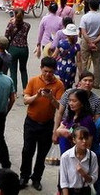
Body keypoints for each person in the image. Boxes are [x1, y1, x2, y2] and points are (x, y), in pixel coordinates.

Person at [19, 56, 65, 192]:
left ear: (54, 71)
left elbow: (60, 107)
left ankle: (36, 178)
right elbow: (26, 100)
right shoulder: (33, 81)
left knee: (42, 154)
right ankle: (24, 176)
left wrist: (51, 98)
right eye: (45, 71)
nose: (47, 74)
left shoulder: (59, 85)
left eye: (50, 72)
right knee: (27, 151)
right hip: (31, 122)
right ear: (41, 69)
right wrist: (37, 96)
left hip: (47, 124)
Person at [59, 126, 99, 194]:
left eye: (86, 138)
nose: (84, 141)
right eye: (81, 138)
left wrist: (83, 174)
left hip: (85, 191)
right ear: (74, 140)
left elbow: (93, 179)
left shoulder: (92, 156)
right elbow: (63, 182)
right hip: (70, 191)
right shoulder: (66, 157)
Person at [78, 0, 100, 88]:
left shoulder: (85, 17)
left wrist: (89, 42)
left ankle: (83, 81)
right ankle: (96, 83)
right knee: (97, 63)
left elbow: (83, 32)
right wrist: (95, 41)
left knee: (84, 62)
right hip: (97, 42)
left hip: (86, 42)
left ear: (89, 5)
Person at [4, 8, 31, 91]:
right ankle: (25, 89)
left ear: (15, 15)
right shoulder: (27, 25)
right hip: (24, 49)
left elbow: (6, 36)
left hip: (13, 48)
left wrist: (11, 22)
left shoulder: (11, 25)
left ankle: (14, 90)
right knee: (23, 69)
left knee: (13, 70)